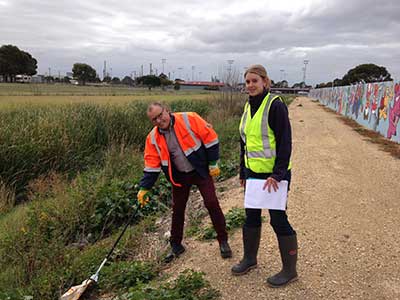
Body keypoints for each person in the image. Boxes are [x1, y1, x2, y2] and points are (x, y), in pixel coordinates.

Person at [137, 102, 232, 263]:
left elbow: (211, 138)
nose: (159, 120)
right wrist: (144, 188)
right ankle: (175, 244)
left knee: (211, 202)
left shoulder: (189, 119)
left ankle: (223, 240)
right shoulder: (152, 138)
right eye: (154, 119)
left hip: (201, 170)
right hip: (179, 176)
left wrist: (213, 162)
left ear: (167, 110)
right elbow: (152, 164)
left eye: (161, 115)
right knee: (178, 209)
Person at [231, 65, 298, 287]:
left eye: (254, 81)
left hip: (274, 176)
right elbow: (246, 143)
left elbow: (285, 141)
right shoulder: (248, 108)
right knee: (250, 217)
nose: (250, 85)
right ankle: (250, 259)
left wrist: (278, 175)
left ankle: (289, 270)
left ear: (265, 82)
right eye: (247, 82)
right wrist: (243, 171)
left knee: (278, 220)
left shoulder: (275, 106)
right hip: (253, 174)